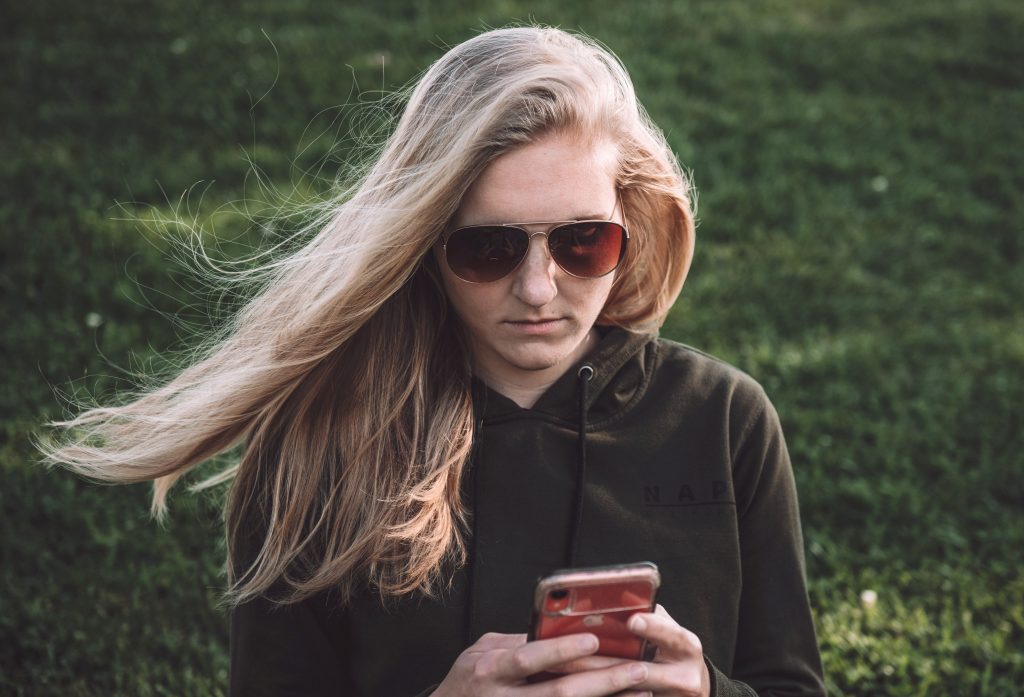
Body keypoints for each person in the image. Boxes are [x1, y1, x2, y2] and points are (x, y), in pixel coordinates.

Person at [40, 26, 826, 697]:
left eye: (583, 241)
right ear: (421, 247)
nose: (537, 287)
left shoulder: (725, 418)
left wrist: (706, 688)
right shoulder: (316, 444)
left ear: (634, 224)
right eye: (488, 246)